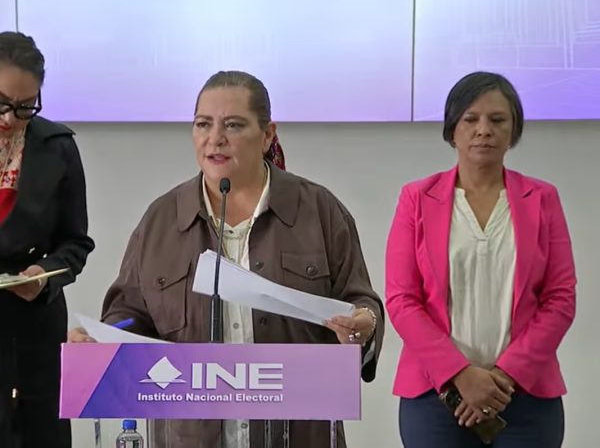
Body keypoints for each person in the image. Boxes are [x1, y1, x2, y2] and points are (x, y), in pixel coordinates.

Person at [70, 70, 384, 448]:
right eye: (203, 124)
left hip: (299, 433)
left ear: (267, 135)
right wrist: (102, 340)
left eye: (233, 125)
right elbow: (129, 312)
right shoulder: (162, 220)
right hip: (191, 437)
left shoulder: (318, 211)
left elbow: (360, 301)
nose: (215, 138)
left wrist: (363, 324)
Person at [385, 71, 576, 448]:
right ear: (452, 129)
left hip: (525, 396)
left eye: (497, 120)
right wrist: (461, 375)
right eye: (470, 119)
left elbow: (560, 298)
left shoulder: (543, 199)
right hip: (435, 395)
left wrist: (504, 376)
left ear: (513, 130)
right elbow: (402, 299)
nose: (483, 130)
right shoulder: (416, 198)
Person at [0, 32, 95, 448]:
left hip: (33, 326)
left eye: (25, 107)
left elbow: (75, 244)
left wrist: (44, 274)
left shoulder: (57, 147)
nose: (10, 119)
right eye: (1, 103)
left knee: (39, 433)